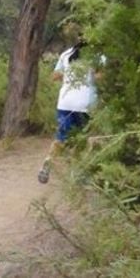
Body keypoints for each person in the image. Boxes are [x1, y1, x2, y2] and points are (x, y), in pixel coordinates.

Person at [38, 41, 103, 184]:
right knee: (84, 139)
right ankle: (79, 173)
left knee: (61, 137)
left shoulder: (66, 54)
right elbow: (100, 77)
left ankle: (48, 162)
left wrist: (68, 79)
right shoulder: (98, 56)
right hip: (86, 103)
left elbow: (54, 76)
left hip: (65, 103)